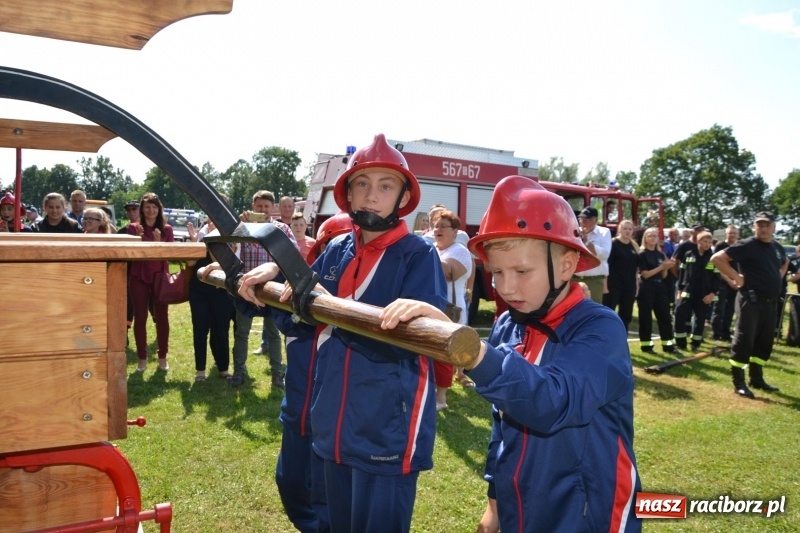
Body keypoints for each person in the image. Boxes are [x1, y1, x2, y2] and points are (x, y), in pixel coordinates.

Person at [379, 175, 641, 532]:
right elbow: (502, 428)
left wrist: (468, 349)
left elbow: (551, 401)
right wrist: (495, 503)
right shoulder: (508, 325)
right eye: (497, 272)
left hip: (588, 514)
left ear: (565, 265)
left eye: (521, 271)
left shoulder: (599, 328)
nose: (506, 287)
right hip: (520, 506)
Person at [236, 133, 448, 533]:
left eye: (385, 186)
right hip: (331, 425)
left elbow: (426, 335)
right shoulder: (336, 251)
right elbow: (305, 309)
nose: (372, 195)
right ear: (348, 194)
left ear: (403, 198)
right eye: (362, 184)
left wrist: (423, 316)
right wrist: (277, 272)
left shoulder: (418, 256)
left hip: (384, 434)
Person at [711, 212, 788, 398]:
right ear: (754, 227)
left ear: (773, 227)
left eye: (766, 225)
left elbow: (785, 262)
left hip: (769, 303)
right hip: (751, 301)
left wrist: (778, 277)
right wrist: (737, 277)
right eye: (759, 225)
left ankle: (757, 378)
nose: (763, 228)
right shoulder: (747, 245)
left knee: (764, 341)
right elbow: (717, 259)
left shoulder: (776, 247)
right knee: (744, 340)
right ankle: (739, 382)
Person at [238, 190, 292, 389]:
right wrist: (238, 225)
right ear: (253, 207)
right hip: (247, 287)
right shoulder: (243, 227)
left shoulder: (282, 229)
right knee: (241, 332)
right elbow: (232, 251)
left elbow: (292, 254)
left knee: (273, 332)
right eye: (259, 206)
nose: (262, 210)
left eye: (266, 207)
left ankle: (277, 374)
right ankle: (239, 371)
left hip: (272, 289)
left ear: (273, 208)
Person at [431, 209, 474, 410]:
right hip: (433, 307)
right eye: (436, 226)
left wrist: (426, 253)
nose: (438, 229)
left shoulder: (460, 251)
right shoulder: (434, 249)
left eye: (443, 226)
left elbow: (449, 273)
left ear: (455, 232)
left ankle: (441, 399)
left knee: (443, 354)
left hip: (450, 311)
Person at [127, 192, 174, 372]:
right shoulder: (133, 228)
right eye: (147, 207)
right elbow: (131, 253)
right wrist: (138, 238)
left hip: (159, 278)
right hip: (139, 278)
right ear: (142, 209)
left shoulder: (167, 230)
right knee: (140, 318)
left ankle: (162, 356)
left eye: (154, 207)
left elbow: (169, 255)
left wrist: (159, 244)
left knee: (162, 318)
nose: (151, 210)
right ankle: (142, 357)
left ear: (159, 209)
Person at [188, 218, 234, 382]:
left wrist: (214, 241)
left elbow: (225, 264)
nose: (213, 222)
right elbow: (190, 262)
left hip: (221, 290)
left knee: (221, 329)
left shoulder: (230, 238)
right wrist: (195, 243)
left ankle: (223, 368)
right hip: (198, 291)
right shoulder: (199, 237)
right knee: (200, 329)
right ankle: (200, 371)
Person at [673, 230, 718, 351]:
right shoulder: (688, 254)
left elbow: (716, 278)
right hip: (687, 291)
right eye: (705, 241)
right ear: (698, 241)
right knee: (679, 314)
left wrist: (712, 293)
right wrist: (679, 290)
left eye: (709, 242)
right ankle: (680, 343)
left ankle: (695, 344)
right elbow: (682, 273)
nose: (707, 244)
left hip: (704, 294)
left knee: (700, 318)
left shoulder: (713, 258)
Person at [637, 227, 679, 353]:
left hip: (660, 286)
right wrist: (662, 266)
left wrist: (667, 267)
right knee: (645, 317)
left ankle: (668, 345)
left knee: (664, 316)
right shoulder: (642, 254)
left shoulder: (660, 254)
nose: (653, 238)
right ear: (645, 238)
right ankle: (646, 346)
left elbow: (664, 275)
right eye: (650, 236)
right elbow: (645, 274)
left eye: (655, 236)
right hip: (646, 287)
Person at [603, 219, 639, 332]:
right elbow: (606, 265)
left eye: (630, 229)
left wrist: (637, 285)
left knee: (626, 315)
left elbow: (636, 269)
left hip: (629, 286)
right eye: (625, 228)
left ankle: (623, 338)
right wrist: (605, 285)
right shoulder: (613, 243)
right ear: (619, 230)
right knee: (609, 312)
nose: (627, 231)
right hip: (613, 285)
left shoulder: (634, 246)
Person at [573, 206, 612, 304]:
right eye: (581, 219)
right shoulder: (574, 231)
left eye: (588, 219)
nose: (583, 222)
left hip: (594, 280)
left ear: (595, 220)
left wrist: (586, 242)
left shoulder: (604, 232)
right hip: (574, 278)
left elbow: (604, 255)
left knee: (593, 308)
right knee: (571, 307)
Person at [710, 225, 740, 341]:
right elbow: (716, 265)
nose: (732, 235)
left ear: (738, 235)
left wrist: (736, 281)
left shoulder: (740, 247)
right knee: (718, 309)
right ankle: (717, 334)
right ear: (725, 234)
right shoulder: (720, 246)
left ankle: (726, 333)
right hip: (721, 282)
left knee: (730, 310)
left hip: (735, 283)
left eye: (734, 233)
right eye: (730, 233)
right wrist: (729, 280)